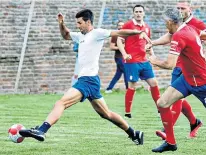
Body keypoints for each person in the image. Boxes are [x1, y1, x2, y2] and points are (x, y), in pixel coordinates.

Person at [19, 9, 151, 145]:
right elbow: (65, 35)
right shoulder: (80, 36)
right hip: (90, 81)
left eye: (80, 23)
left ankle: (41, 130)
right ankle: (134, 133)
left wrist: (138, 32)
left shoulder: (97, 33)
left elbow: (119, 32)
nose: (78, 25)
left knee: (61, 103)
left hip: (88, 80)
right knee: (106, 114)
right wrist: (61, 23)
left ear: (88, 22)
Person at [150, 8, 206, 153]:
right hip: (187, 79)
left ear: (170, 22)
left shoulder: (180, 36)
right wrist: (152, 43)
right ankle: (170, 143)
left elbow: (170, 65)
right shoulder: (190, 28)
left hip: (202, 82)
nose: (164, 25)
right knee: (162, 103)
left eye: (165, 22)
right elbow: (203, 35)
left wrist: (154, 60)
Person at [117, 5, 160, 118]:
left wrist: (152, 55)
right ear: (133, 13)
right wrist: (125, 54)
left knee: (154, 83)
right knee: (132, 86)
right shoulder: (128, 25)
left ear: (144, 13)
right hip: (132, 61)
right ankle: (127, 112)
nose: (138, 13)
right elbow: (119, 40)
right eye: (136, 12)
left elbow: (147, 44)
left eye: (140, 11)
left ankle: (160, 107)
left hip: (144, 61)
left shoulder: (146, 27)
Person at [105, 21, 128, 93]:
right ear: (117, 26)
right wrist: (121, 47)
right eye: (119, 25)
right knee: (126, 72)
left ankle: (109, 89)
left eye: (122, 25)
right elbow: (111, 47)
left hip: (124, 57)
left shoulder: (127, 35)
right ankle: (128, 89)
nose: (121, 27)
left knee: (118, 74)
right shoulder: (115, 35)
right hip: (119, 57)